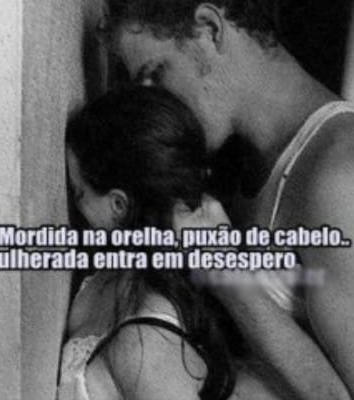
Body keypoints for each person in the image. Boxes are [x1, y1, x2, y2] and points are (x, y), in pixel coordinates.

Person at [101, 1, 354, 399]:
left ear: (210, 28)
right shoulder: (238, 162)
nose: (157, 105)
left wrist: (225, 273)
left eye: (157, 73)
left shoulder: (339, 175)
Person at [58, 86, 282, 400]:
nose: (75, 206)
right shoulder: (116, 276)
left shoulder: (147, 346)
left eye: (78, 192)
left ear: (118, 205)